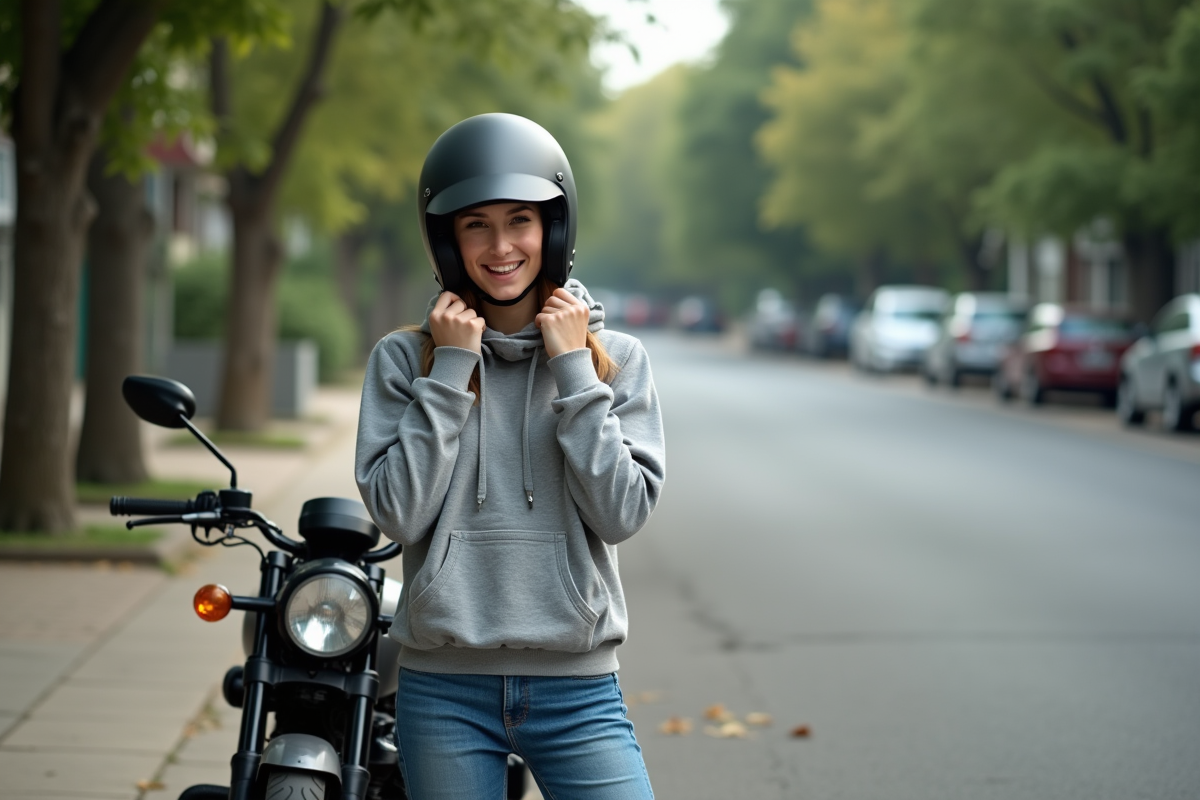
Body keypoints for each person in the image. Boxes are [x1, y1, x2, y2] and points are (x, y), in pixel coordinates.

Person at [355, 112, 666, 800]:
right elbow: (401, 515)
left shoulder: (618, 362)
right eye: (476, 225)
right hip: (443, 694)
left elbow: (620, 514)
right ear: (447, 239)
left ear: (554, 230)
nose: (501, 246)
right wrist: (450, 373)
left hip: (579, 691)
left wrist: (573, 375)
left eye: (520, 220)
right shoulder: (405, 361)